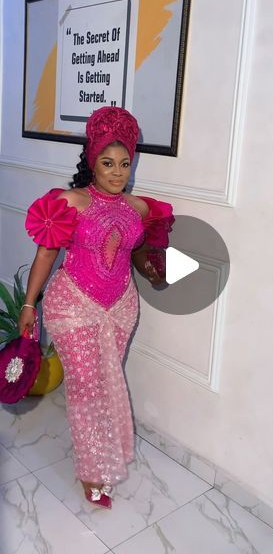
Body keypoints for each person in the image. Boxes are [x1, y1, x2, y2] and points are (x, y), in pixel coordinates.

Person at [18, 106, 174, 509]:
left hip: (121, 307)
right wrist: (28, 304)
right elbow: (45, 258)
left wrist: (155, 272)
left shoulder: (138, 209)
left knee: (106, 381)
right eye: (108, 162)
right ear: (92, 162)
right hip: (73, 306)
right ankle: (92, 471)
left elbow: (137, 252)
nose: (118, 172)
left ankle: (104, 451)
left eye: (125, 163)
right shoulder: (70, 202)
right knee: (86, 387)